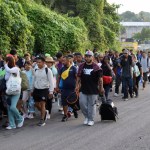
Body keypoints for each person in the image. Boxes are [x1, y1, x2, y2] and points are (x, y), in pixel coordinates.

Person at [76, 50, 104, 126]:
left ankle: (91, 119)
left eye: (89, 56)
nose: (87, 58)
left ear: (92, 57)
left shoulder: (96, 67)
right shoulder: (81, 66)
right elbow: (78, 77)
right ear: (84, 57)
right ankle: (86, 117)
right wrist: (77, 86)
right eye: (86, 56)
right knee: (82, 103)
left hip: (93, 89)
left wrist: (101, 88)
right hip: (83, 88)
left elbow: (100, 79)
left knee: (91, 105)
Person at [32, 56, 54, 126]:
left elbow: (51, 82)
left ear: (43, 62)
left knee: (43, 104)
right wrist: (32, 90)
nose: (38, 64)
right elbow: (34, 80)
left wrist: (51, 91)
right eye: (37, 62)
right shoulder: (35, 69)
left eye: (39, 62)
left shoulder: (48, 70)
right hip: (36, 89)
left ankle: (42, 120)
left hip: (44, 89)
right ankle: (45, 112)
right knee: (36, 104)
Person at [4, 56, 24, 129]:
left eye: (7, 61)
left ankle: (20, 119)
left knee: (12, 107)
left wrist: (5, 65)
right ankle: (12, 124)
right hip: (8, 90)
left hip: (16, 91)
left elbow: (10, 71)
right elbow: (5, 78)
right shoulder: (6, 70)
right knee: (9, 108)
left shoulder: (16, 68)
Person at [56, 55, 77, 122]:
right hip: (64, 89)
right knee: (64, 102)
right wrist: (57, 87)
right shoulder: (62, 69)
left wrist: (77, 86)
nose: (63, 62)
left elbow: (77, 78)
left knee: (71, 102)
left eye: (64, 61)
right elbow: (58, 78)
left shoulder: (73, 68)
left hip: (72, 89)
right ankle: (65, 115)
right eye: (62, 61)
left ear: (68, 61)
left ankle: (74, 110)